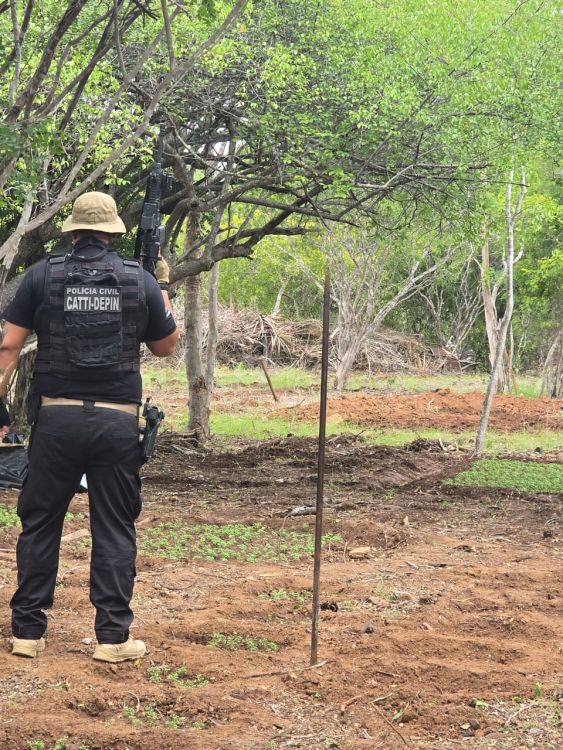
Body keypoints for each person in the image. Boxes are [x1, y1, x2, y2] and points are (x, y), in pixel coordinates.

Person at [0, 191, 179, 662]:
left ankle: (27, 633)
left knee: (40, 523)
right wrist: (162, 288)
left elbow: (8, 348)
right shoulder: (139, 279)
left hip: (56, 420)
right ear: (112, 233)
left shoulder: (42, 275)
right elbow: (166, 347)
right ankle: (113, 639)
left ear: (74, 231)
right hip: (116, 422)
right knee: (114, 527)